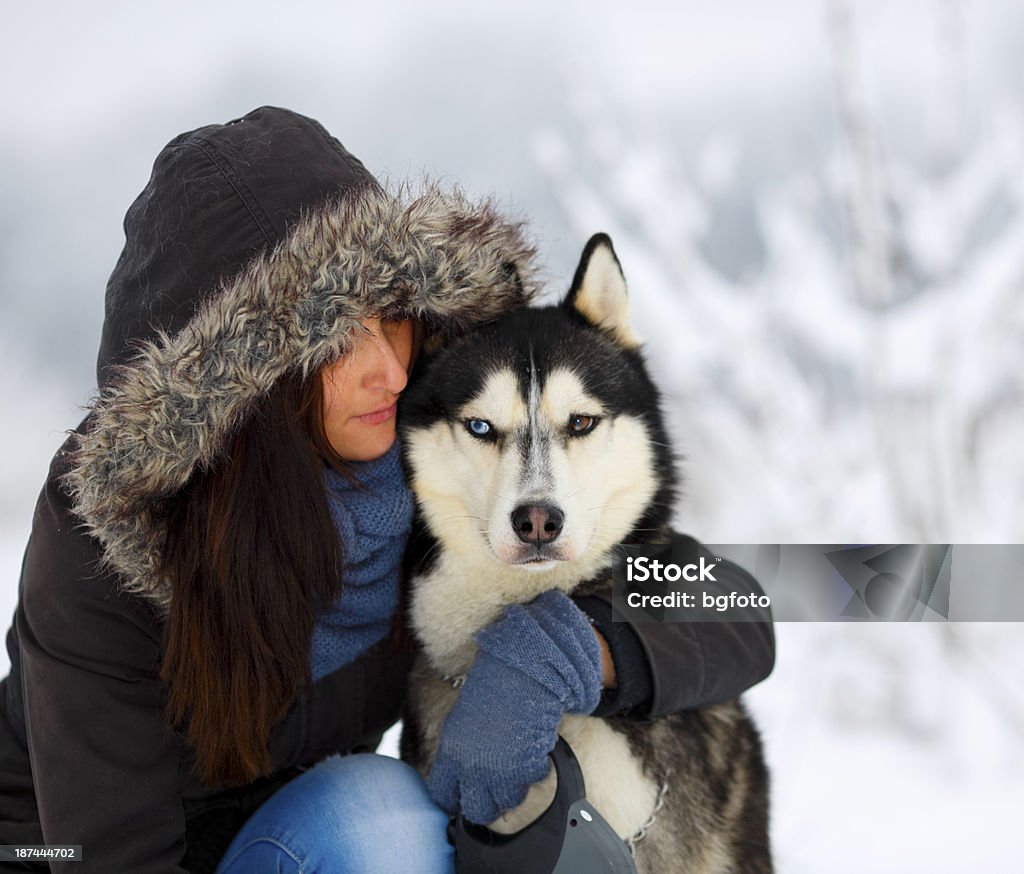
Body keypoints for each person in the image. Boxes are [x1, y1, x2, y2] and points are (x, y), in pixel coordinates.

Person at [0, 106, 775, 873]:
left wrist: (571, 652)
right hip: (57, 851)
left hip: (304, 840)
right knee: (382, 823)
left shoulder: (434, 450)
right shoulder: (110, 546)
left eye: (391, 316)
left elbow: (734, 600)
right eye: (337, 337)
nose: (390, 370)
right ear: (242, 384)